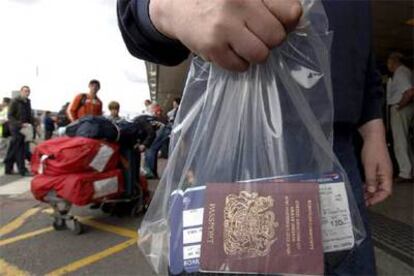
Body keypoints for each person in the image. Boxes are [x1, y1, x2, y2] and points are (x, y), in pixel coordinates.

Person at [117, 0, 393, 274]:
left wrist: (373, 126)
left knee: (347, 261)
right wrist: (170, 7)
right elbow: (133, 13)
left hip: (337, 145)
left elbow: (363, 44)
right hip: (234, 140)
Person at [386, 52, 414, 183]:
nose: (388, 65)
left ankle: (405, 172)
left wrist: (399, 106)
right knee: (406, 140)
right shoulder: (408, 71)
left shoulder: (401, 72)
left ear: (394, 61)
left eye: (388, 62)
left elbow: (409, 92)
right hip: (408, 108)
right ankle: (410, 169)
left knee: (400, 141)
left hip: (401, 108)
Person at [4, 86, 34, 176]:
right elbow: (10, 116)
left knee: (13, 149)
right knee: (20, 149)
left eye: (28, 91)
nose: (27, 93)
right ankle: (22, 170)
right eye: (25, 91)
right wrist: (20, 124)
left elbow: (29, 116)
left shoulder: (28, 102)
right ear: (21, 91)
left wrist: (32, 127)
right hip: (16, 128)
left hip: (25, 129)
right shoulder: (15, 101)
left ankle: (8, 169)